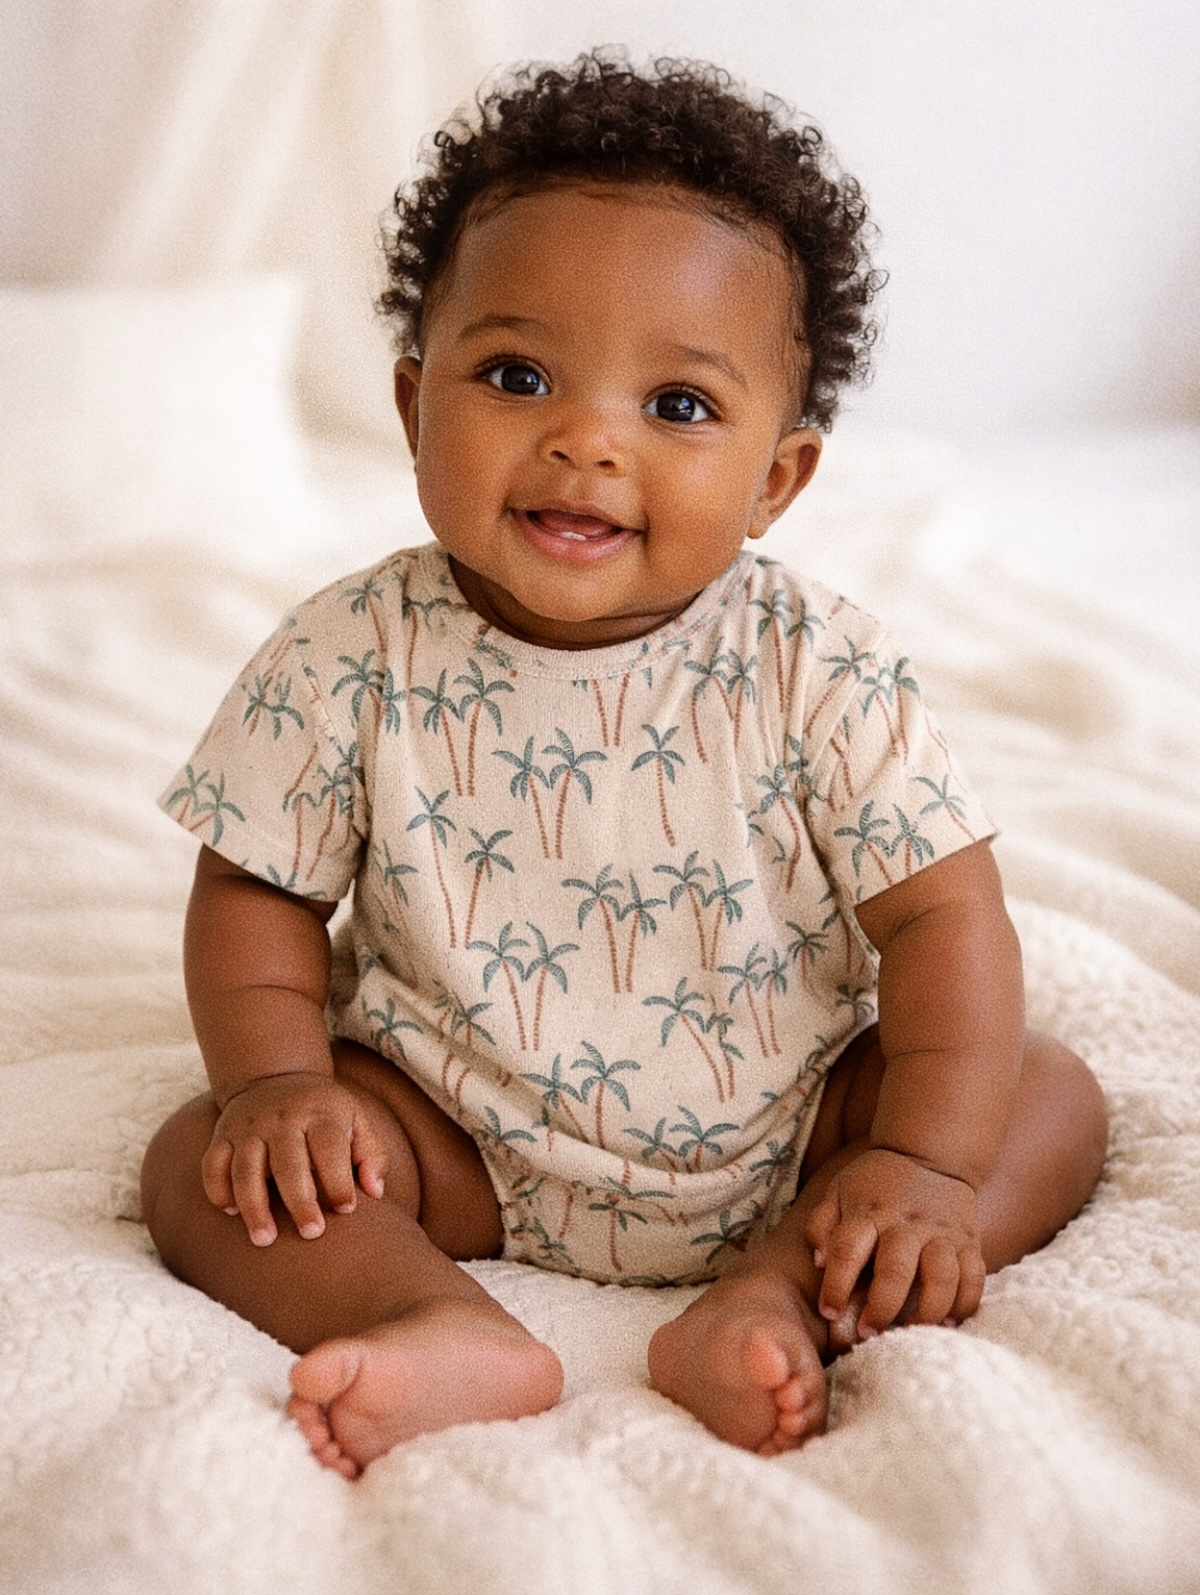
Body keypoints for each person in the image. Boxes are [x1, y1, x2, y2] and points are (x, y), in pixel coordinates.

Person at [141, 50, 1108, 1479]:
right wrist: (282, 1084)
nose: (586, 440)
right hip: (453, 1126)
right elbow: (255, 889)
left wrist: (914, 1167)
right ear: (414, 408)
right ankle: (432, 1315)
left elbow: (943, 917)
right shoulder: (350, 649)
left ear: (778, 478)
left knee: (1041, 1096)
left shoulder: (818, 666)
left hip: (789, 1124)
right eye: (518, 375)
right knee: (201, 1160)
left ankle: (775, 1288)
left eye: (678, 406)